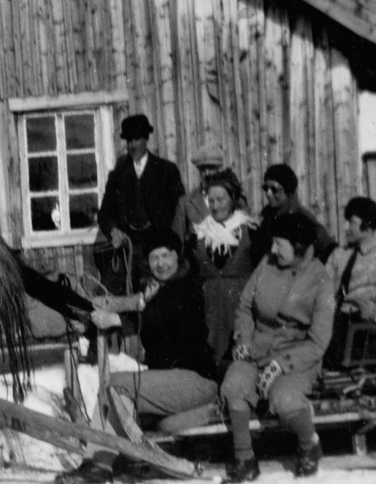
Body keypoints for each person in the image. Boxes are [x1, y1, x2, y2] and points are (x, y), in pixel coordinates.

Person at [56, 228, 219, 484]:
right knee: (118, 393)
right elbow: (143, 309)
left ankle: (99, 462)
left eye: (166, 256)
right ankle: (97, 463)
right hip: (174, 382)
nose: (161, 263)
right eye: (154, 258)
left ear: (178, 256)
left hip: (197, 380)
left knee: (117, 383)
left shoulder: (187, 286)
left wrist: (117, 320)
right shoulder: (156, 290)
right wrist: (88, 323)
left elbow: (159, 316)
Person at [219, 213, 336, 484]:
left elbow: (319, 342)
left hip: (297, 357)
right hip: (256, 350)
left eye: (279, 245)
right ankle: (244, 459)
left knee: (285, 401)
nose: (272, 250)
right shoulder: (267, 265)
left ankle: (309, 445)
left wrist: (282, 364)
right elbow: (246, 307)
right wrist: (244, 340)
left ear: (300, 246)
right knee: (234, 386)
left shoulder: (323, 282)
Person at [95, 114, 186, 298]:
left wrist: (173, 244)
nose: (132, 145)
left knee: (160, 296)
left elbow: (181, 209)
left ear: (146, 139)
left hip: (157, 247)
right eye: (129, 140)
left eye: (137, 138)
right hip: (127, 249)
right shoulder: (118, 175)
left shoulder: (166, 170)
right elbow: (104, 213)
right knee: (105, 293)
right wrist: (112, 230)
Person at [186, 168, 263, 370]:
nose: (215, 205)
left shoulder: (252, 231)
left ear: (233, 198)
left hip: (242, 312)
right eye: (210, 201)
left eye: (220, 199)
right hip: (209, 315)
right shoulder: (198, 235)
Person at [326, 197, 376, 326]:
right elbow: (325, 292)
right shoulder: (338, 255)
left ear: (368, 225)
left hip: (365, 330)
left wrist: (375, 313)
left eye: (351, 222)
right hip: (336, 323)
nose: (345, 227)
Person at [255, 163, 336, 264]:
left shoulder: (302, 218)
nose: (268, 193)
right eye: (266, 188)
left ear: (288, 190)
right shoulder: (265, 217)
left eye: (274, 189)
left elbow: (329, 248)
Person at [171, 142, 226, 239]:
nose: (207, 173)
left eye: (211, 168)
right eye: (203, 169)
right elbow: (177, 241)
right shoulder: (186, 202)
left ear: (219, 170)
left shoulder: (234, 198)